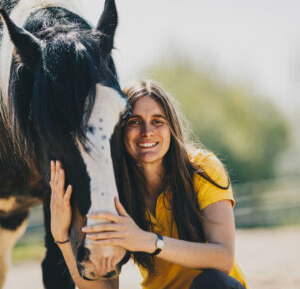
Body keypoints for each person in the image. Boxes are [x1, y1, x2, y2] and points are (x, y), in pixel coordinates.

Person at [50, 80, 248, 289]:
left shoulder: (202, 168)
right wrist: (61, 238)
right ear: (119, 130)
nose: (147, 131)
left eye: (157, 121)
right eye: (134, 122)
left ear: (171, 127)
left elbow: (223, 258)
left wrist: (146, 240)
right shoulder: (115, 195)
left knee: (212, 283)